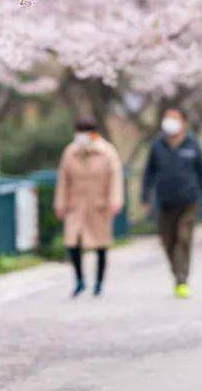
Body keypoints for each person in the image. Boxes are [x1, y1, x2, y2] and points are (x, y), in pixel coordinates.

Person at [141, 108, 202, 299]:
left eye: (174, 119)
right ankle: (177, 273)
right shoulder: (157, 144)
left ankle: (182, 279)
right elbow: (149, 172)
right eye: (167, 118)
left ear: (183, 122)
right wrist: (145, 197)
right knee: (168, 242)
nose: (169, 122)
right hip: (165, 201)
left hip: (188, 200)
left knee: (183, 238)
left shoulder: (192, 144)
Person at [54, 119, 124, 297]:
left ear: (93, 133)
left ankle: (99, 282)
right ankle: (79, 280)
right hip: (76, 204)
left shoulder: (107, 152)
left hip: (98, 204)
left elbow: (115, 178)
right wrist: (60, 203)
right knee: (73, 242)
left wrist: (115, 200)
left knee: (101, 244)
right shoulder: (70, 152)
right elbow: (63, 180)